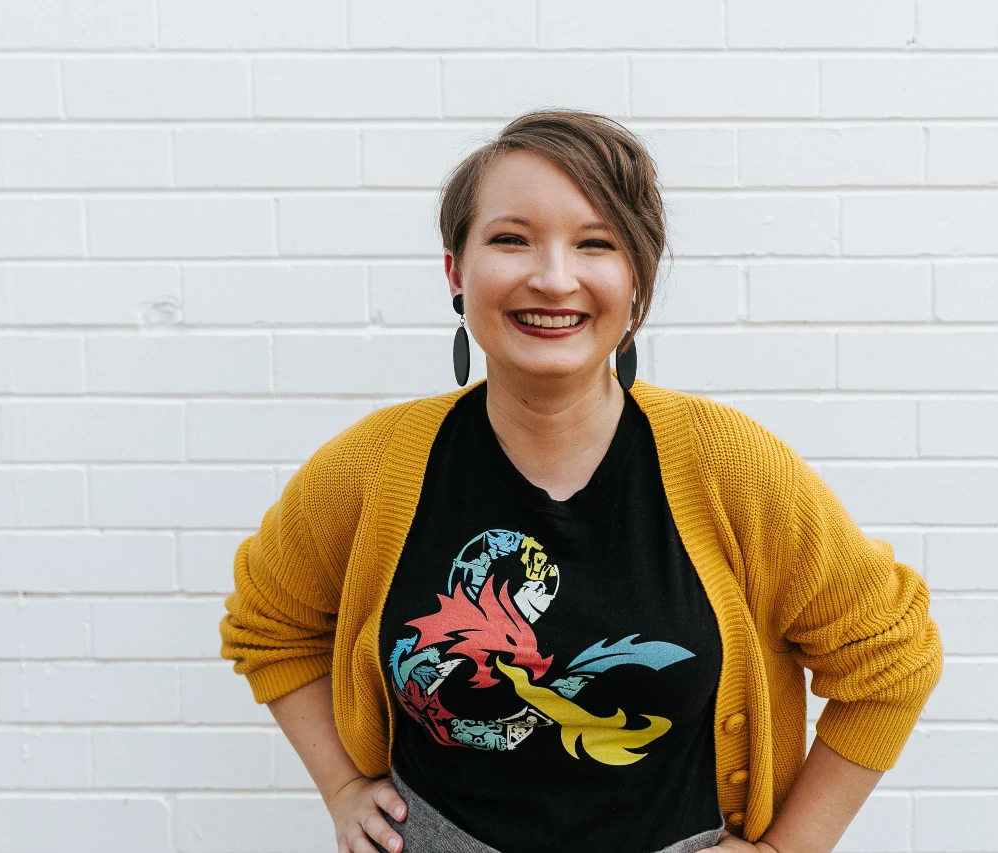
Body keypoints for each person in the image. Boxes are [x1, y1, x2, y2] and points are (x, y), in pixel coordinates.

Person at [219, 109, 944, 853]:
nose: (553, 277)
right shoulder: (373, 465)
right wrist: (342, 787)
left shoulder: (732, 466)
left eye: (595, 243)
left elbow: (891, 659)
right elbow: (269, 625)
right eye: (510, 239)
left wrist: (789, 848)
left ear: (637, 280)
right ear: (454, 272)